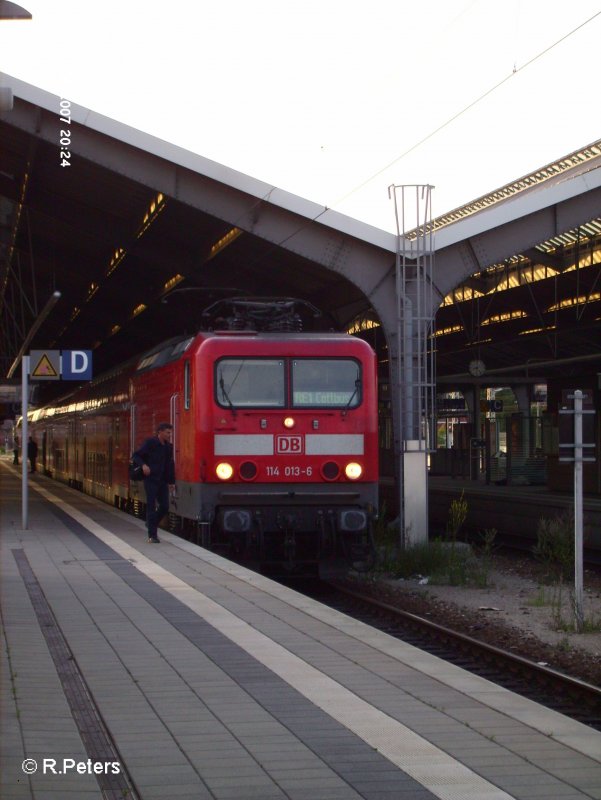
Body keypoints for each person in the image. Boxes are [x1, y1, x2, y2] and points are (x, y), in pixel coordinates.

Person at [131, 422, 175, 543]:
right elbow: (136, 455)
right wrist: (144, 465)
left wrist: (171, 482)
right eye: (167, 432)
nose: (169, 435)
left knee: (165, 506)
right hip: (150, 479)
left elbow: (169, 465)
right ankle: (152, 536)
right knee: (151, 505)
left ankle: (151, 522)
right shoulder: (150, 443)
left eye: (170, 433)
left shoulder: (168, 447)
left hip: (162, 481)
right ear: (159, 432)